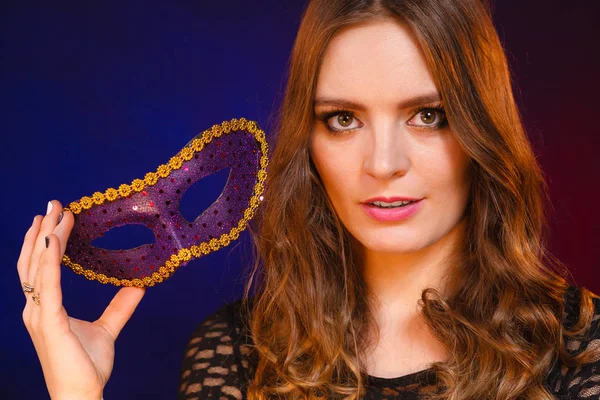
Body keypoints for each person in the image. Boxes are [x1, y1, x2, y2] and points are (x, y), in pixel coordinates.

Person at [18, 0, 600, 399]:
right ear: (309, 140)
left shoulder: (581, 348)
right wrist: (77, 393)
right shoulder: (238, 352)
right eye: (343, 119)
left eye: (429, 116)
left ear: (482, 130)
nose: (382, 164)